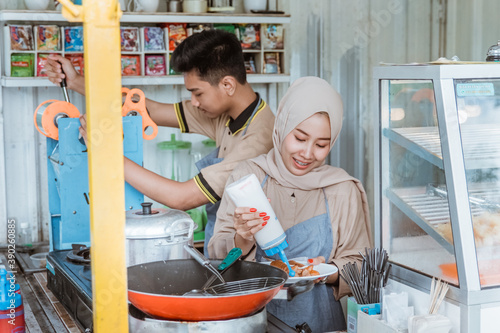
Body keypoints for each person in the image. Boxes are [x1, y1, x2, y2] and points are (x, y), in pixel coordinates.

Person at [44, 29, 275, 257]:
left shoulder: (257, 139)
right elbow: (145, 109)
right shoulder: (229, 114)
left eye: (198, 93)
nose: (193, 102)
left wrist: (105, 152)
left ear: (227, 85)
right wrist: (75, 82)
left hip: (248, 259)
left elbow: (182, 198)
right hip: (220, 251)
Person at [208, 77, 372, 332]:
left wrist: (323, 272)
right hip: (255, 322)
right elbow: (220, 262)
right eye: (299, 137)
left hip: (322, 324)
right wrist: (242, 239)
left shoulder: (342, 189)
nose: (307, 153)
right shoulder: (248, 178)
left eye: (321, 144)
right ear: (282, 127)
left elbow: (361, 268)